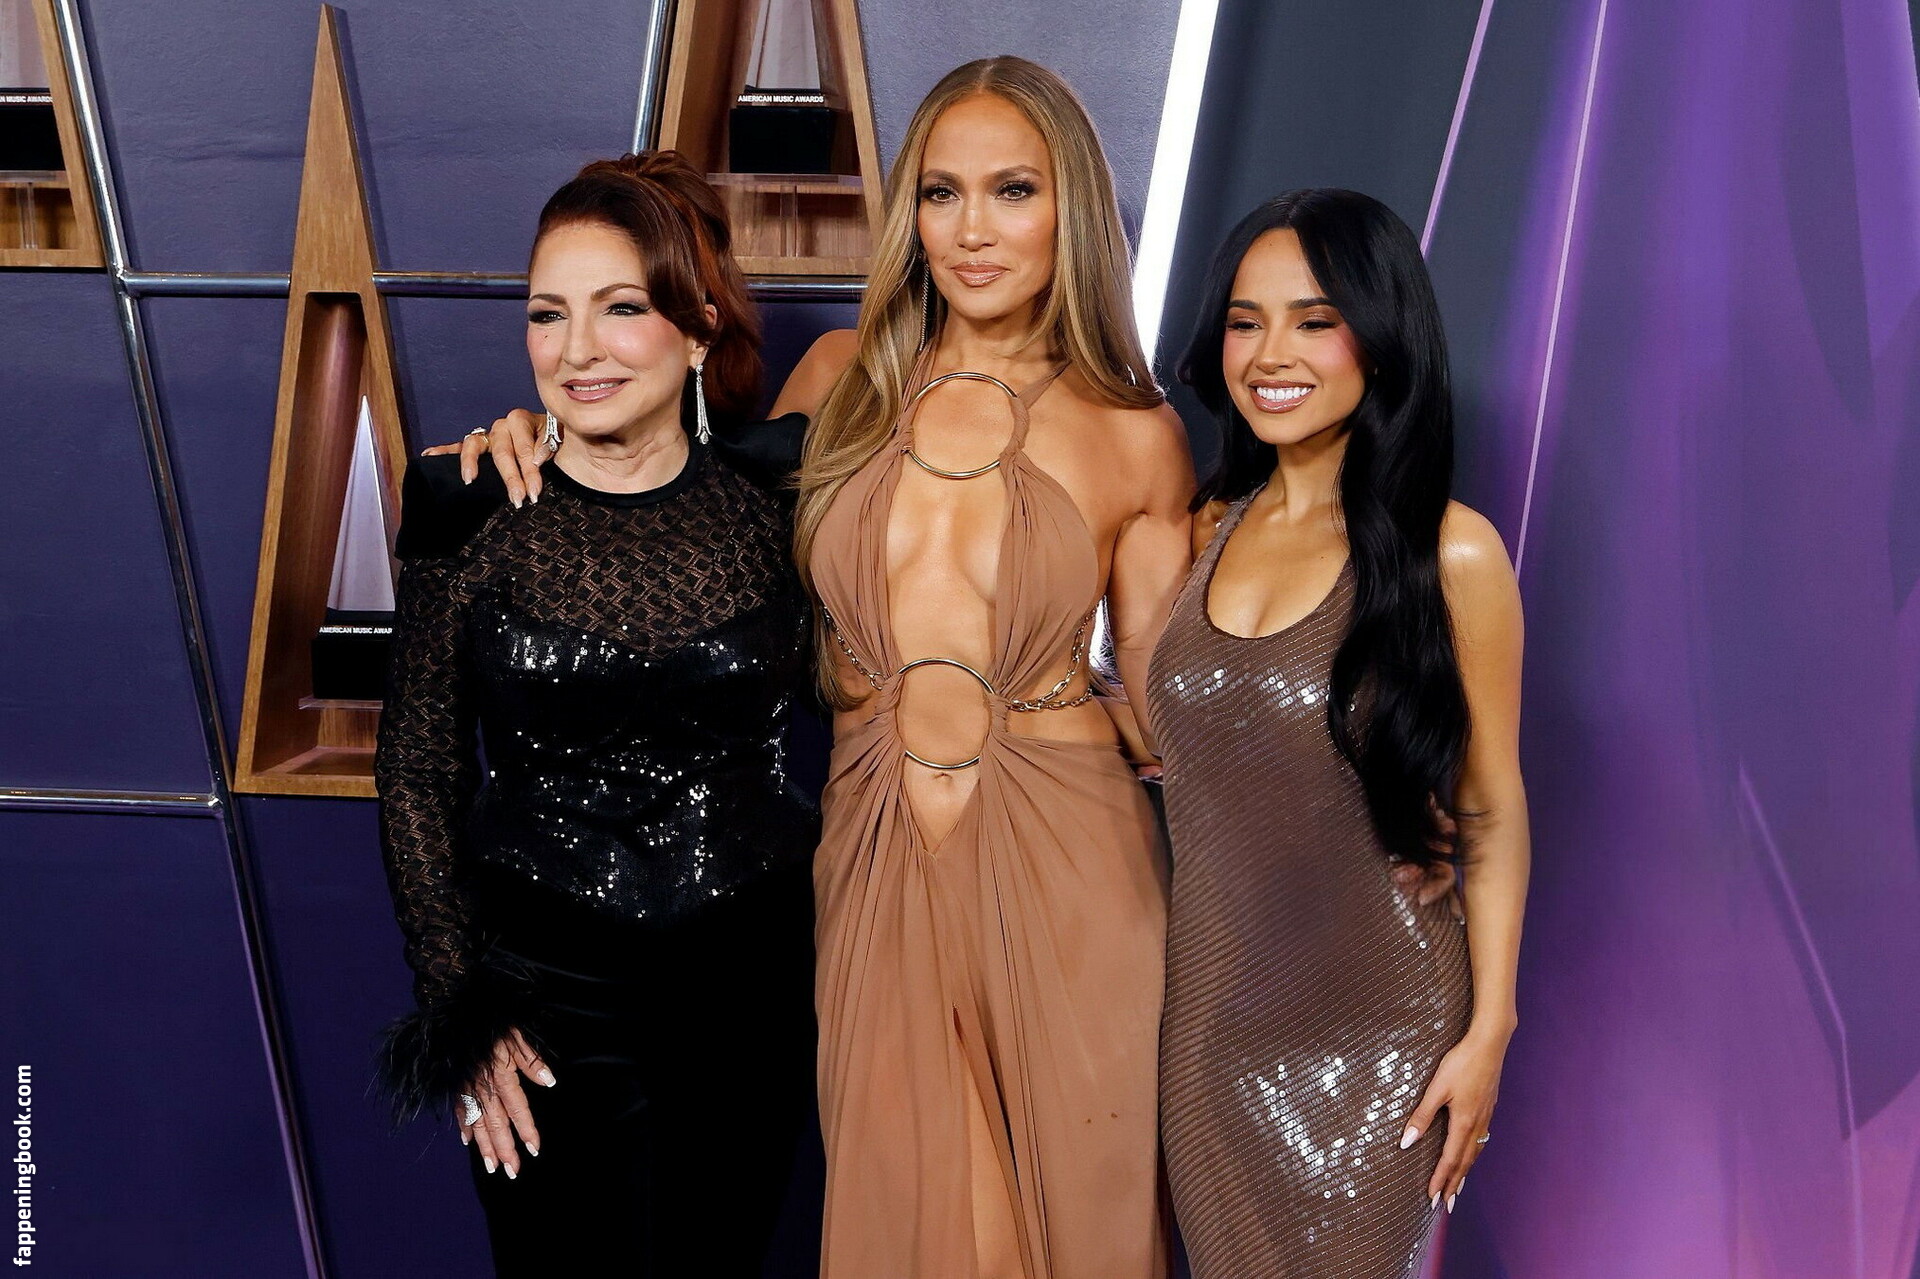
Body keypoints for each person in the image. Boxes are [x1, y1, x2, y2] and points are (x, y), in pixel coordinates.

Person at [438, 55, 1193, 1279]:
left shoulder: (1137, 431)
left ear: (1074, 212)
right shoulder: (841, 384)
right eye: (941, 193)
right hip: (873, 853)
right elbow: (677, 487)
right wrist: (544, 430)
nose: (973, 229)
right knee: (912, 1216)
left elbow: (1171, 713)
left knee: (1064, 1224)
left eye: (1013, 190)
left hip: (1071, 858)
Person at [373, 151, 818, 1278]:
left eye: (620, 308)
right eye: (547, 314)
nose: (576, 349)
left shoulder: (787, 498)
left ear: (699, 327)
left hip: (751, 1002)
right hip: (543, 1013)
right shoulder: (466, 506)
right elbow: (417, 770)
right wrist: (459, 1006)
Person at [1147, 190, 1529, 1279]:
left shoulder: (1452, 553)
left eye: (1315, 320)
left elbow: (1492, 805)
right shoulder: (1202, 531)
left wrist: (1490, 1030)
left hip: (1384, 1030)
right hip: (1207, 1031)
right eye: (1245, 320)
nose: (1271, 353)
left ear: (1382, 334)